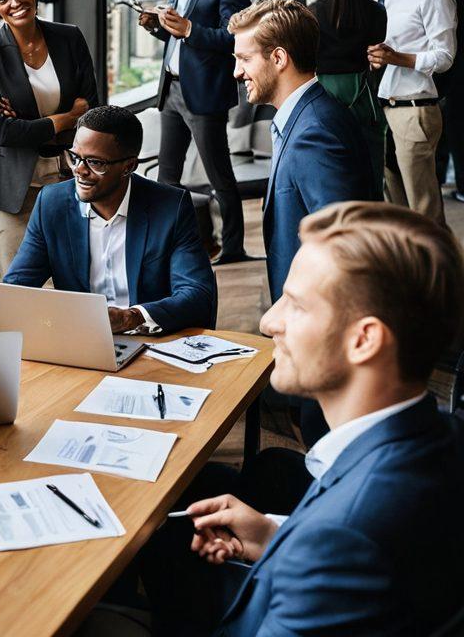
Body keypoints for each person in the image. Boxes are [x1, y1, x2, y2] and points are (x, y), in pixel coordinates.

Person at [135, 200, 464, 637]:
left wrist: (307, 546)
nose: (270, 321)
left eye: (296, 304)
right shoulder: (446, 434)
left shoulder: (340, 545)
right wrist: (277, 534)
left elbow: (350, 541)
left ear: (364, 340)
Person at [4, 105, 216, 334]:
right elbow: (16, 288)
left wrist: (131, 318)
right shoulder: (51, 204)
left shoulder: (170, 207)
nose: (79, 170)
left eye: (95, 162)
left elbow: (197, 295)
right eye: (75, 157)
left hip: (151, 340)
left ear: (129, 166)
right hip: (83, 342)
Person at [229, 0, 374, 303]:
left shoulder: (315, 133)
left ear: (279, 58)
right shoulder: (309, 117)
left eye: (244, 59)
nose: (237, 72)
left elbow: (344, 249)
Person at [0, 0, 99, 278]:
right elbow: (5, 133)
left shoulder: (69, 38)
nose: (15, 3)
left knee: (77, 276)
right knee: (13, 284)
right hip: (15, 187)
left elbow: (92, 112)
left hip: (71, 175)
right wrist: (65, 118)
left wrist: (33, 124)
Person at [138, 0, 251, 264]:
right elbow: (179, 36)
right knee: (168, 176)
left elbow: (236, 39)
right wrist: (157, 26)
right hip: (172, 88)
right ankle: (173, 247)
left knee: (220, 176)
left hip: (203, 94)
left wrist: (188, 29)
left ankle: (232, 246)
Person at [369, 0, 457, 225]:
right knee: (397, 212)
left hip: (415, 112)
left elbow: (445, 56)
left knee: (425, 213)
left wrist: (397, 58)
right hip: (386, 109)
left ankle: (444, 273)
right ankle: (410, 273)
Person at [309, 0, 388, 196]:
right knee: (369, 172)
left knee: (328, 173)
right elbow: (376, 60)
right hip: (363, 95)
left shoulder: (316, 11)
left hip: (325, 95)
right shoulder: (377, 12)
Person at [429, 0, 464, 202]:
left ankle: (459, 183)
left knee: (455, 124)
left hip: (456, 63)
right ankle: (442, 178)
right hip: (448, 65)